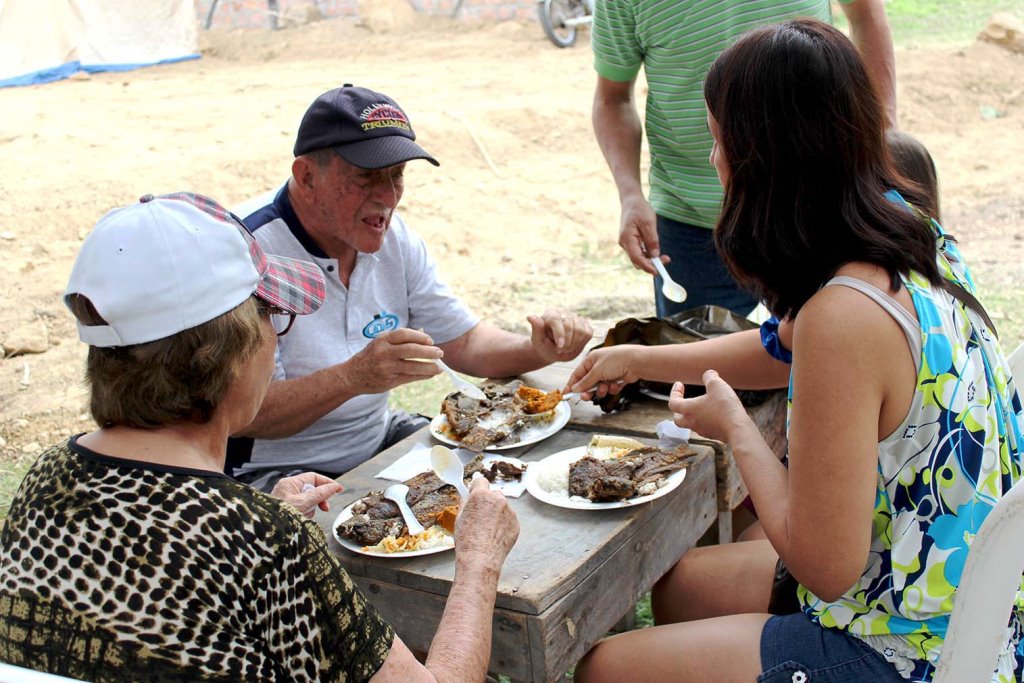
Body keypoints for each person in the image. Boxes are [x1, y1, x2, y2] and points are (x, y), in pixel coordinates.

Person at [570, 20, 1023, 682]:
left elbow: (826, 567)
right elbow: (780, 349)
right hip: (954, 589)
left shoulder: (844, 318)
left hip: (914, 648)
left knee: (604, 668)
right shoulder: (909, 231)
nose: (713, 160)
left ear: (767, 162)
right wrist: (636, 357)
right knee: (677, 589)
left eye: (719, 142)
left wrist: (734, 428)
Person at [0, 193, 520, 682]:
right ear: (222, 356)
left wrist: (256, 518)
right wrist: (478, 561)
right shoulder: (268, 543)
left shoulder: (46, 478)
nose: (276, 336)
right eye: (271, 314)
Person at [228, 84, 593, 491]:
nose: (387, 197)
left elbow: (465, 344)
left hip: (376, 440)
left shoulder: (391, 237)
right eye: (366, 178)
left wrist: (537, 349)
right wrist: (353, 377)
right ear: (307, 176)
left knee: (510, 481)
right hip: (274, 473)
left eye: (397, 175)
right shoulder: (244, 254)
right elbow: (245, 413)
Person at [591, 0, 896, 317]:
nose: (717, 157)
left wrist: (883, 137)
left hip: (816, 214)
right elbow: (611, 98)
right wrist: (630, 194)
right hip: (694, 223)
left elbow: (867, 14)